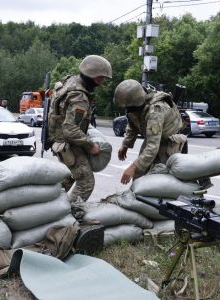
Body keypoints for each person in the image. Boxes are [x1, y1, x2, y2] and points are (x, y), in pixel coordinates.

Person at [47, 55, 112, 206]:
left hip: (61, 141)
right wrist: (91, 146)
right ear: (95, 77)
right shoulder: (80, 97)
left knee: (67, 178)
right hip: (69, 144)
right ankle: (67, 214)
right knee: (86, 183)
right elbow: (70, 129)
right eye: (102, 78)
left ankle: (49, 208)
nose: (102, 82)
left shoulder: (70, 81)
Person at [113, 79, 187, 185]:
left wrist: (132, 167)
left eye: (128, 107)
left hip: (170, 142)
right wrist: (125, 145)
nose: (127, 109)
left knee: (159, 179)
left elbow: (152, 147)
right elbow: (132, 125)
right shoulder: (135, 108)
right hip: (154, 138)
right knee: (139, 174)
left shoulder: (155, 111)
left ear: (136, 102)